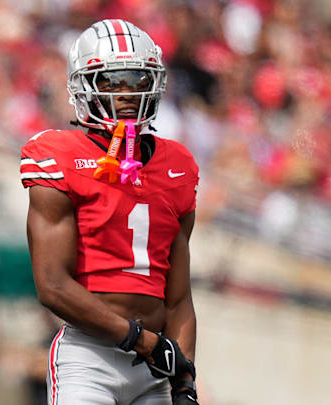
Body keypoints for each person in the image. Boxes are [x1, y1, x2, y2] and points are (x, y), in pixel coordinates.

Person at [21, 20, 200, 404]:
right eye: (111, 81)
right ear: (83, 86)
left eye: (137, 79)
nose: (126, 92)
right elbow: (52, 285)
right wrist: (138, 339)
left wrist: (185, 378)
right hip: (90, 356)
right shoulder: (59, 154)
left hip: (156, 368)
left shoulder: (178, 164)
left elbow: (179, 298)